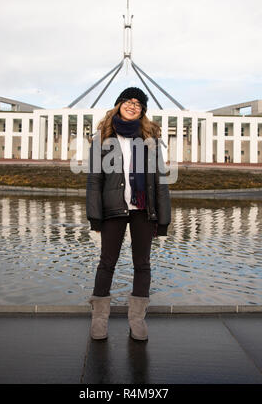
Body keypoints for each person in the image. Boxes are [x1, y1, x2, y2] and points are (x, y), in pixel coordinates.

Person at [86, 87, 171, 341]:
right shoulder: (102, 137)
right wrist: (95, 218)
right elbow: (94, 181)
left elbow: (161, 181)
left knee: (142, 264)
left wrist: (163, 222)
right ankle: (99, 320)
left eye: (138, 103)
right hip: (113, 210)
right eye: (128, 101)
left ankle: (137, 321)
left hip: (143, 211)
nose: (133, 105)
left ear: (142, 110)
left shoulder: (151, 139)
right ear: (119, 104)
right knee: (106, 263)